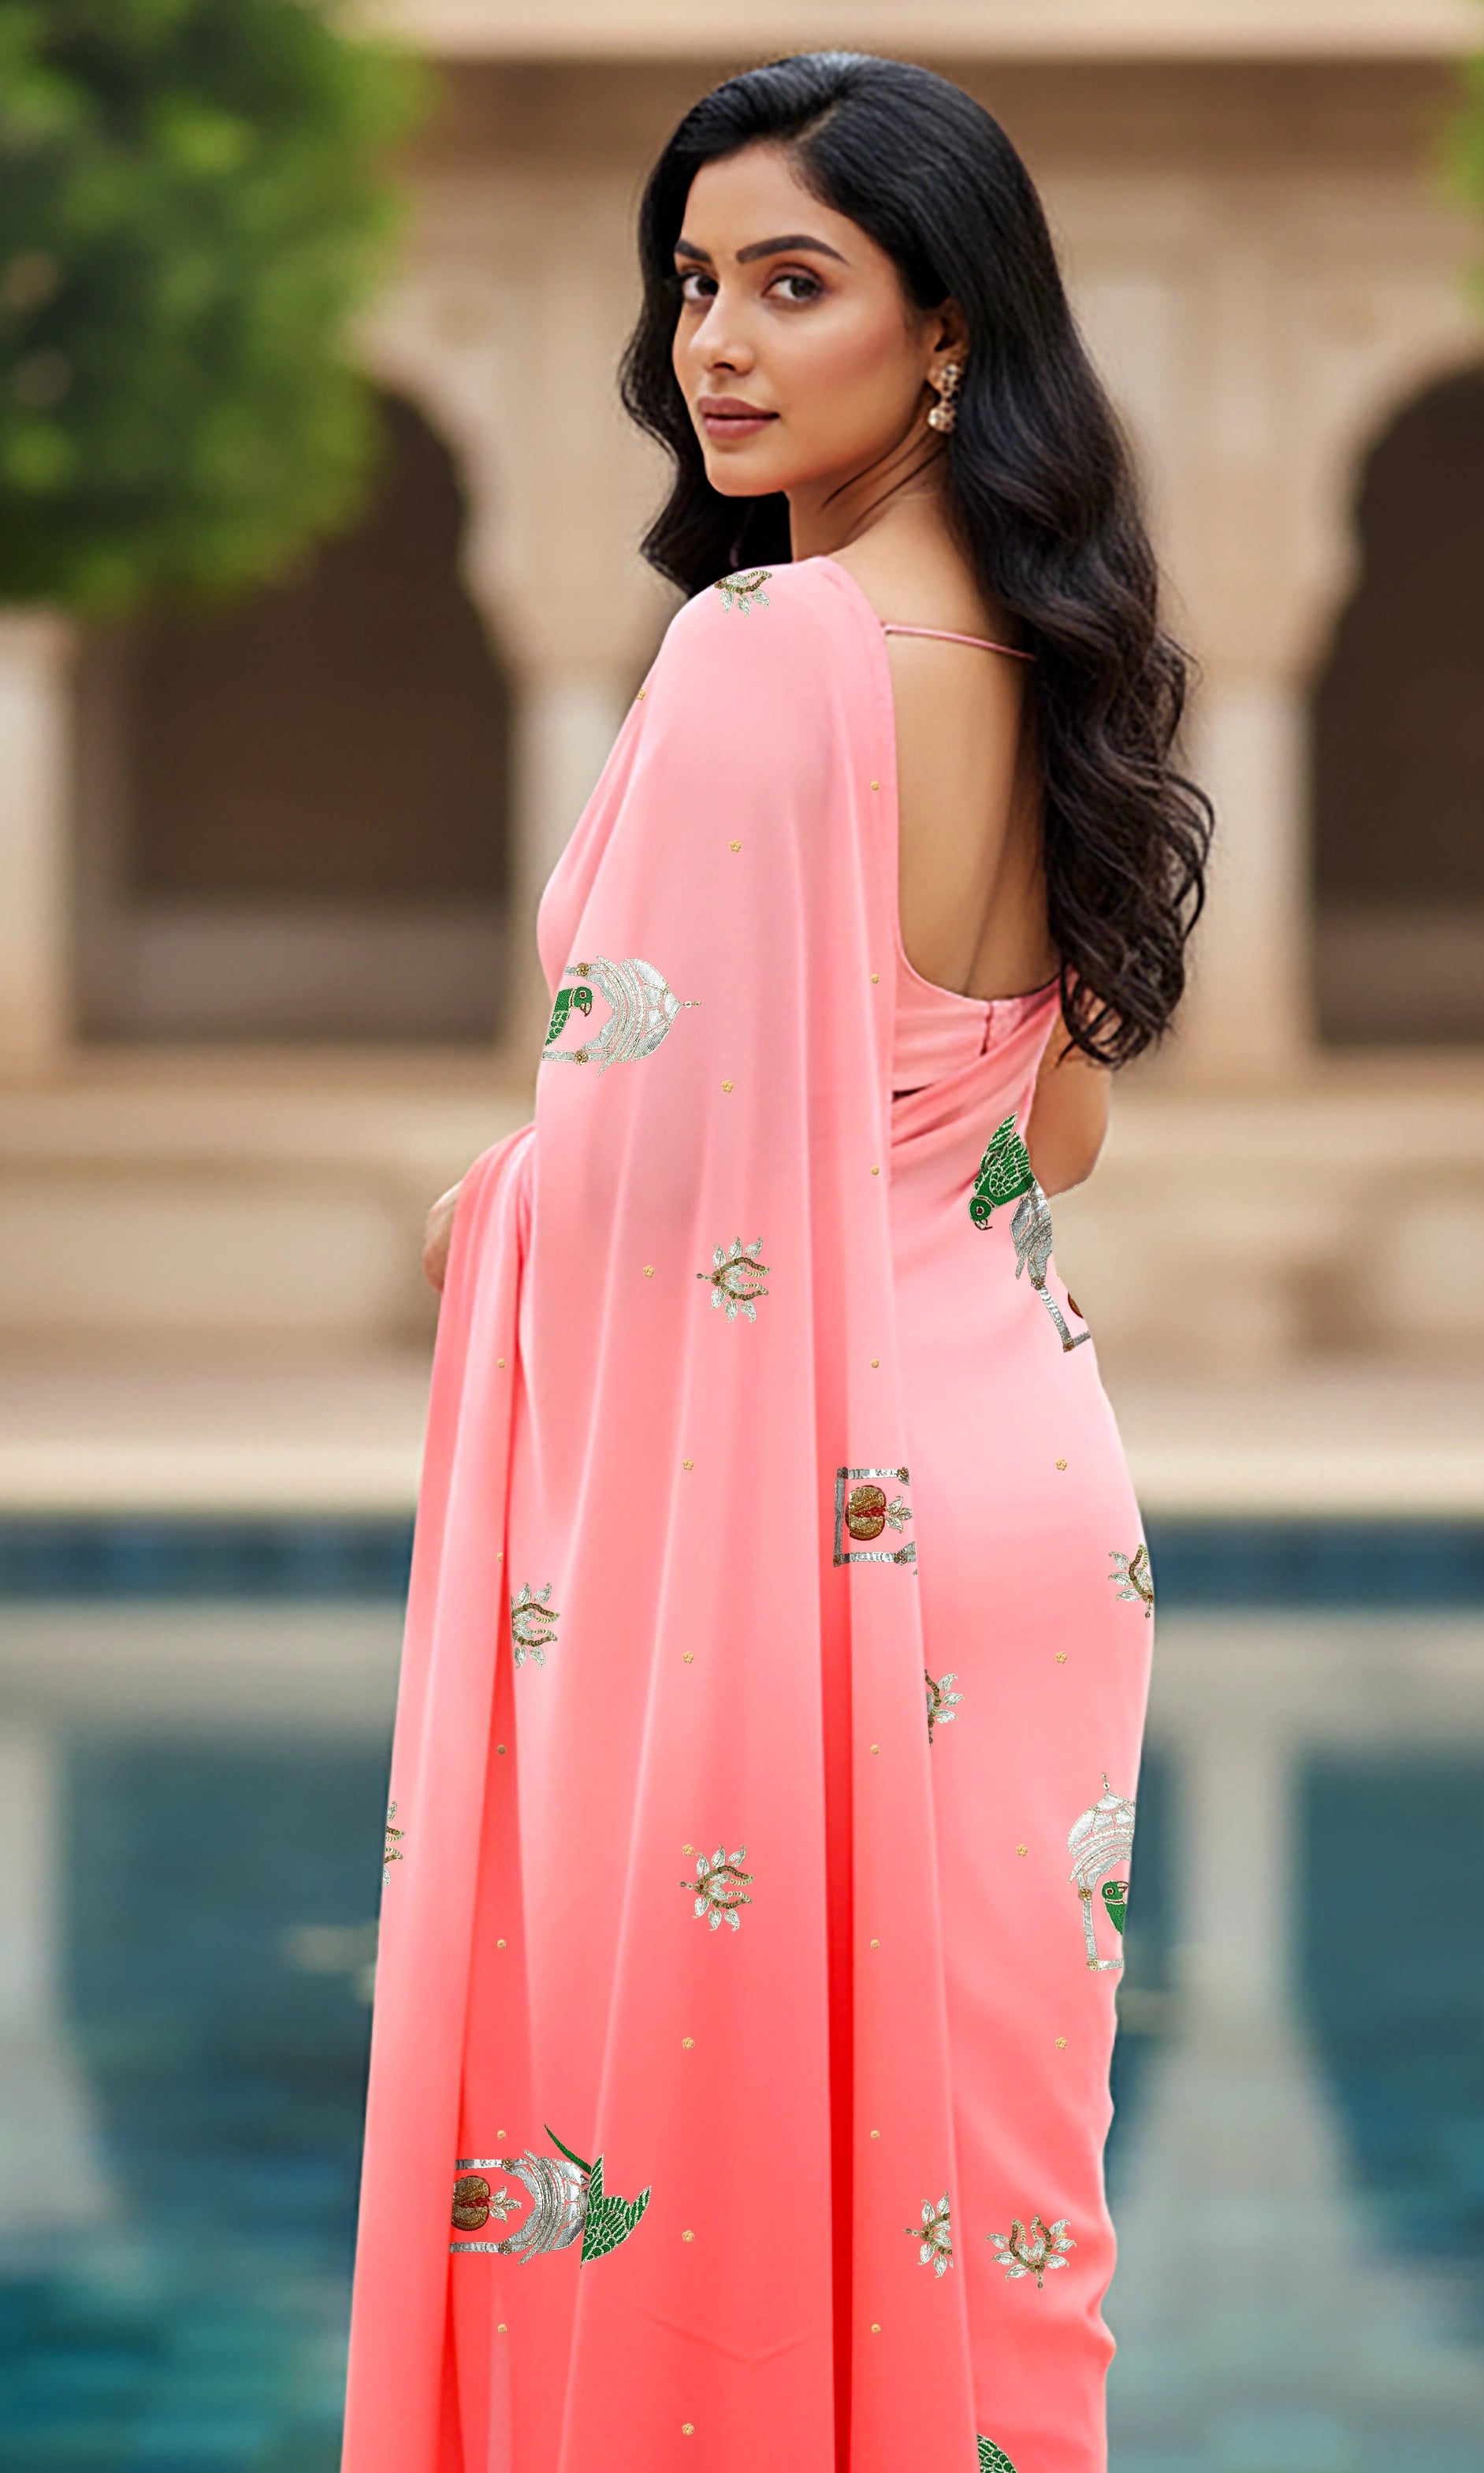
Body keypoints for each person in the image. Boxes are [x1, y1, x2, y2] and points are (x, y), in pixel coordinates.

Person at [342, 51, 1210, 2473]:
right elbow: (1055, 1122)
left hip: (823, 1529)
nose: (715, 342)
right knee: (989, 2211)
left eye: (791, 284)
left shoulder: (769, 654)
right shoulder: (1049, 655)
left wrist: (490, 1205)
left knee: (711, 2175)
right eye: (695, 283)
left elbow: (633, 1189)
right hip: (1025, 1495)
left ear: (944, 335)